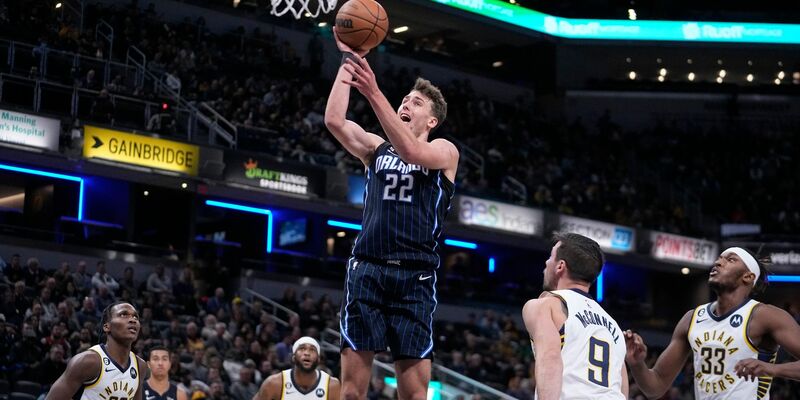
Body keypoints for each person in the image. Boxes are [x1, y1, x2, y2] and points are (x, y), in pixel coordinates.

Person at [324, 27, 459, 400]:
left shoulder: (445, 151)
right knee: (351, 392)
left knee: (414, 395)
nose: (407, 104)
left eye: (417, 103)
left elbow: (413, 153)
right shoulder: (376, 148)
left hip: (415, 277)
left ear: (431, 121)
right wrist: (350, 60)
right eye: (406, 99)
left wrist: (373, 91)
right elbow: (334, 121)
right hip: (368, 268)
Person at [625, 247, 800, 399]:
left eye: (730, 260)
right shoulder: (691, 318)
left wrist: (773, 369)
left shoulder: (765, 315)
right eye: (719, 258)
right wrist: (637, 364)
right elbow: (654, 388)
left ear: (747, 277)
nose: (718, 262)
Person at [521, 233, 628, 400]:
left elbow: (550, 357)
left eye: (551, 257)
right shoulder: (614, 326)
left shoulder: (547, 305)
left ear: (560, 266)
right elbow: (621, 388)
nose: (547, 262)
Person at [46, 301, 148, 400]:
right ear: (107, 327)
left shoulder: (140, 366)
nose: (133, 320)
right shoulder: (88, 361)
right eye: (123, 315)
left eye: (135, 317)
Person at [254, 337, 340, 400]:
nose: (307, 353)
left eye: (312, 350)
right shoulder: (274, 383)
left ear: (318, 359)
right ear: (293, 357)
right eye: (302, 348)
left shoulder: (332, 385)